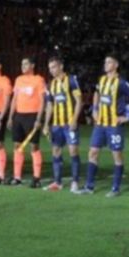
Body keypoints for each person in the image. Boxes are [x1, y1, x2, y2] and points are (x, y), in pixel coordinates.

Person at [80, 55, 129, 197]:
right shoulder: (102, 79)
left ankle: (115, 188)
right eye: (105, 62)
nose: (106, 64)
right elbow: (97, 94)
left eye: (109, 62)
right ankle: (89, 187)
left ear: (116, 65)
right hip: (100, 124)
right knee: (92, 152)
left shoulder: (122, 83)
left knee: (116, 155)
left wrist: (127, 116)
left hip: (114, 125)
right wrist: (95, 109)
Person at [42, 56, 83, 192]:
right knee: (56, 151)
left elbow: (79, 101)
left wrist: (74, 119)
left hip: (69, 123)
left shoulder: (71, 80)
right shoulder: (51, 84)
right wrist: (46, 124)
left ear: (61, 66)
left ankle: (75, 181)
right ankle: (57, 182)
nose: (51, 70)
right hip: (56, 124)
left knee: (73, 150)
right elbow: (49, 105)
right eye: (50, 68)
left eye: (54, 67)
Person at [7, 57, 46, 187]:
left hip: (32, 116)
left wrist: (39, 119)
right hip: (19, 116)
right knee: (17, 146)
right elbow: (14, 99)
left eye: (26, 64)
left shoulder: (39, 80)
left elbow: (42, 101)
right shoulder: (18, 80)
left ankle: (36, 178)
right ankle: (17, 177)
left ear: (32, 65)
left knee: (33, 146)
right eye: (22, 64)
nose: (23, 66)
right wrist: (10, 117)